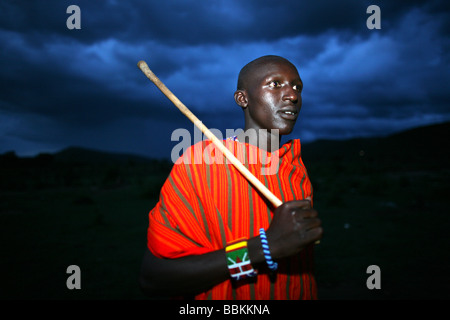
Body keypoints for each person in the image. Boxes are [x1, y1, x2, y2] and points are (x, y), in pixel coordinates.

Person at [139, 55, 323, 300]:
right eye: (275, 84)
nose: (293, 95)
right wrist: (263, 248)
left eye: (297, 86)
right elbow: (155, 277)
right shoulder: (200, 164)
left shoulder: (295, 167)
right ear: (242, 98)